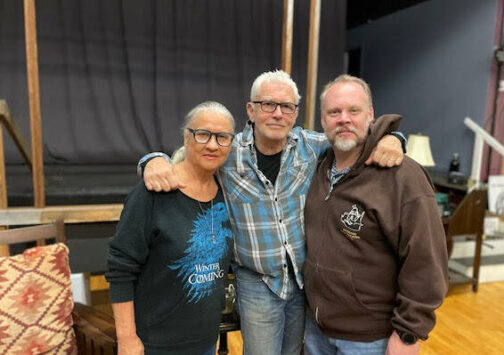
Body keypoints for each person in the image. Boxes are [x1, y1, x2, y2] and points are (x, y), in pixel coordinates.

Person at [138, 70, 406, 355]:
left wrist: (394, 138)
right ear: (251, 110)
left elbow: (353, 135)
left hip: (303, 280)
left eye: (286, 106)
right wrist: (153, 160)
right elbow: (187, 154)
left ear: (295, 113)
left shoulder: (312, 146)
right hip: (257, 282)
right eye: (268, 104)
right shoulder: (228, 151)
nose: (277, 113)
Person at [303, 75, 448, 355]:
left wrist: (408, 333)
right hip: (316, 330)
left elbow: (426, 261)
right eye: (334, 112)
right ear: (323, 120)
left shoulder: (402, 176)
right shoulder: (318, 167)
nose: (344, 119)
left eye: (353, 111)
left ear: (370, 115)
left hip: (370, 340)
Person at [106, 101, 236, 355]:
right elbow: (120, 270)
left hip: (206, 341)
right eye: (202, 134)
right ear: (186, 138)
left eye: (222, 137)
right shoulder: (152, 194)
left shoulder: (226, 193)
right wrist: (126, 338)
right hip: (156, 344)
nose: (212, 144)